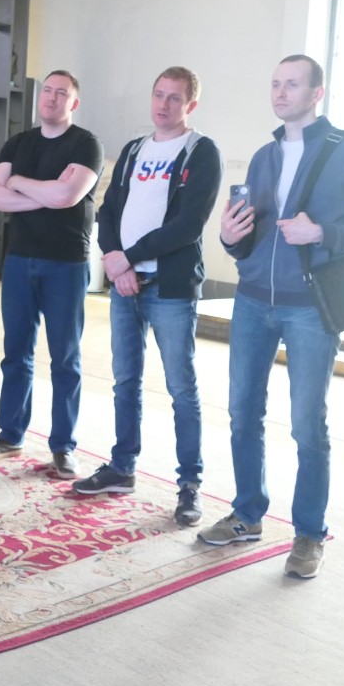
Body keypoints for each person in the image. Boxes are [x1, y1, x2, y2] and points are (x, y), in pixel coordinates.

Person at [198, 54, 344, 579]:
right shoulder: (264, 156)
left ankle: (309, 534)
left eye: (292, 84)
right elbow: (250, 238)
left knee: (308, 425)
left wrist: (321, 232)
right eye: (275, 84)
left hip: (309, 306)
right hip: (252, 301)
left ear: (316, 93)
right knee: (242, 413)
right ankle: (246, 515)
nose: (280, 93)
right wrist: (229, 239)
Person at [73, 67, 221, 527]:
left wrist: (128, 258)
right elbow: (108, 210)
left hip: (170, 288)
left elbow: (187, 225)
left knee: (181, 389)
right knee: (125, 381)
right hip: (126, 285)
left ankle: (190, 484)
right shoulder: (136, 150)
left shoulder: (201, 151)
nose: (164, 104)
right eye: (159, 94)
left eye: (175, 98)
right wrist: (115, 261)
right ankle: (122, 467)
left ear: (190, 105)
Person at [0, 70, 103, 478]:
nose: (51, 97)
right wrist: (44, 194)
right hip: (19, 260)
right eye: (47, 90)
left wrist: (18, 183)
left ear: (73, 103)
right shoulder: (19, 143)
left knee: (64, 358)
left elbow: (67, 196)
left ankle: (63, 446)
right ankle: (10, 434)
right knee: (16, 353)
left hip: (66, 263)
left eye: (61, 93)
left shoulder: (86, 144)